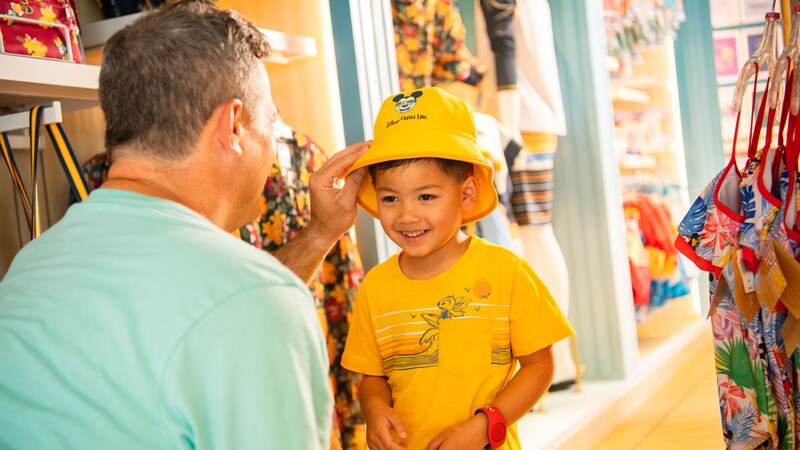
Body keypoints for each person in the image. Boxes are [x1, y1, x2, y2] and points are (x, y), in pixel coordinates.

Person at [0, 1, 369, 449]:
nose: (275, 142)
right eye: (271, 122)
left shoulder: (31, 265)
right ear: (233, 126)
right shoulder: (257, 302)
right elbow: (231, 305)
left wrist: (318, 235)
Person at [341, 87, 574, 450]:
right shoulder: (375, 287)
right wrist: (373, 409)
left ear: (465, 195)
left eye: (426, 196)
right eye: (390, 198)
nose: (407, 215)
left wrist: (486, 425)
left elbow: (539, 366)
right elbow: (372, 376)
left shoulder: (505, 270)